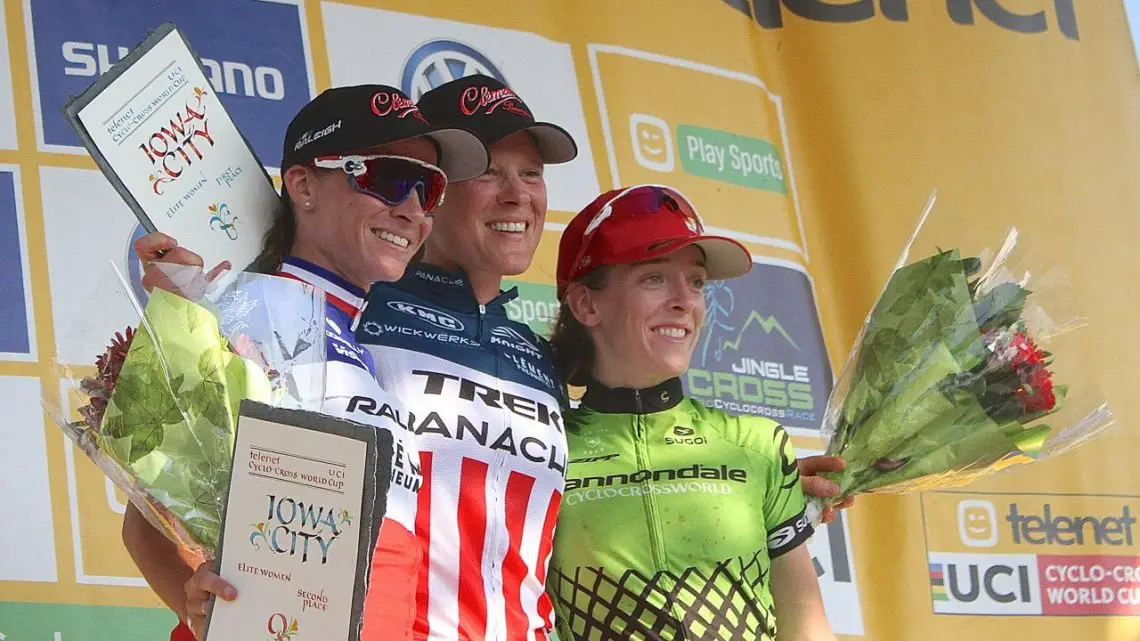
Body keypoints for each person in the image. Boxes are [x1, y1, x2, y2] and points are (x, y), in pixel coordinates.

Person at [120, 83, 490, 641]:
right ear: (303, 185)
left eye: (429, 188)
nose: (412, 209)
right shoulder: (242, 312)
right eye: (389, 178)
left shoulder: (357, 340)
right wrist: (194, 604)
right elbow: (145, 527)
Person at [545, 184, 836, 641]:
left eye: (696, 282)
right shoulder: (542, 447)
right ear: (586, 303)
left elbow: (806, 627)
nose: (685, 300)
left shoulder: (756, 445)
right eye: (654, 277)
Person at [351, 74, 579, 641]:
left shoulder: (539, 360)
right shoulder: (357, 313)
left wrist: (772, 487)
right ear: (432, 190)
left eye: (531, 173)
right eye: (488, 171)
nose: (517, 194)